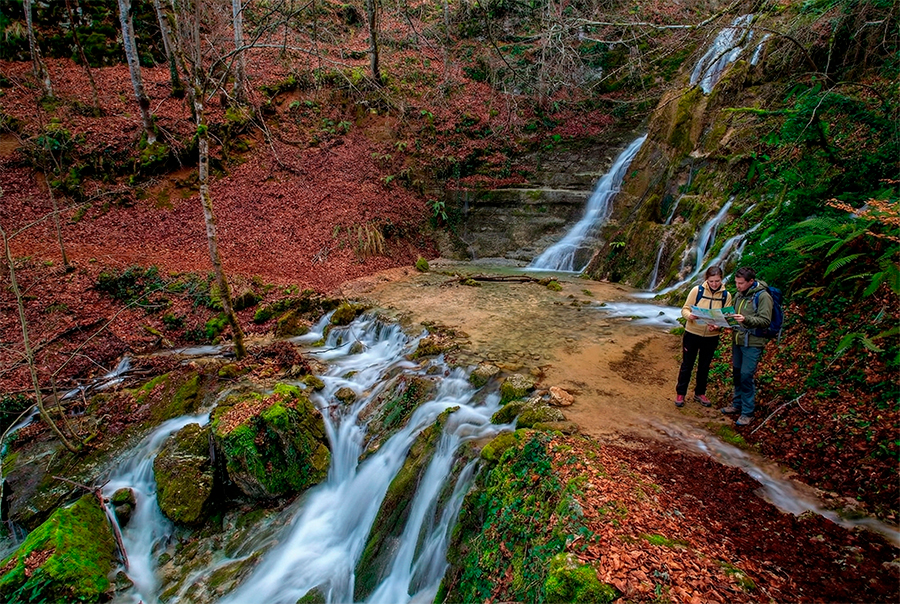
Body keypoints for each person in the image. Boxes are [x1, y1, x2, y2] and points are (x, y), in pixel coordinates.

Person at [721, 267, 772, 426]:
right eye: (736, 283)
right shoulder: (738, 295)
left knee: (746, 375)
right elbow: (734, 318)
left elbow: (765, 320)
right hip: (738, 339)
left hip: (753, 342)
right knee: (737, 373)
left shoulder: (763, 297)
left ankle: (747, 412)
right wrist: (723, 322)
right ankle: (737, 404)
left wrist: (746, 319)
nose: (737, 286)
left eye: (741, 283)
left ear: (751, 281)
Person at [675, 266, 732, 408]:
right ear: (707, 279)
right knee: (687, 365)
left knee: (704, 366)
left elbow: (728, 317)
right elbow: (685, 309)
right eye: (711, 281)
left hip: (711, 336)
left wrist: (719, 325)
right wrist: (690, 316)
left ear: (721, 279)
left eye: (717, 281)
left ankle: (700, 393)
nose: (714, 284)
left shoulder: (726, 296)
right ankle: (681, 393)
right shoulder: (697, 291)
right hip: (692, 333)